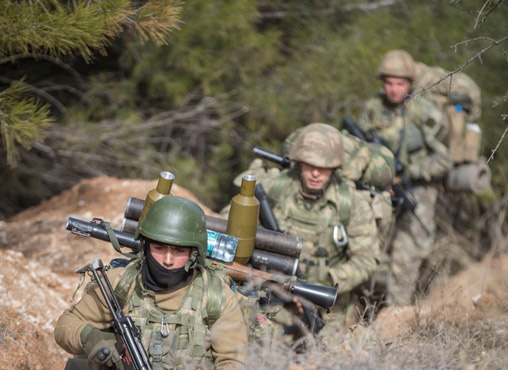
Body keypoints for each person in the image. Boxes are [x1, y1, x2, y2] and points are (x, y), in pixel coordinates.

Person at [54, 196, 248, 369]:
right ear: (145, 246)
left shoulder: (216, 296)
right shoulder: (121, 284)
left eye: (179, 251)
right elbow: (65, 325)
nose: (168, 260)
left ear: (193, 253)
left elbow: (232, 360)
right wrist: (90, 338)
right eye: (159, 247)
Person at [232, 123, 380, 330]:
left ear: (335, 168)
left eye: (323, 168)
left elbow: (367, 259)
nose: (315, 173)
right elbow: (232, 230)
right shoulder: (274, 187)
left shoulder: (352, 203)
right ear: (299, 162)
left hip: (326, 306)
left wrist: (328, 281)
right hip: (271, 296)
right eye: (309, 165)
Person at [357, 49, 454, 306]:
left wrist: (411, 172)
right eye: (389, 83)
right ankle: (360, 311)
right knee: (366, 251)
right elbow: (358, 149)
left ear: (410, 83)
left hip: (416, 192)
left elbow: (445, 159)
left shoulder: (424, 112)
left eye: (400, 83)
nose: (394, 89)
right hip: (378, 192)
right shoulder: (373, 109)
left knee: (406, 256)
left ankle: (395, 318)